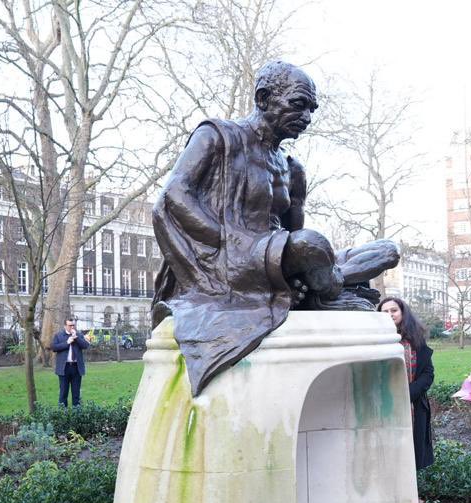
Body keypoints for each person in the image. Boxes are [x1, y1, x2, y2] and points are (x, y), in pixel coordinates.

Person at [151, 60, 398, 396]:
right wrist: (225, 246)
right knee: (313, 245)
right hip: (228, 255)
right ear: (264, 98)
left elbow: (294, 235)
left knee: (387, 250)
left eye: (312, 109)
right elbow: (174, 196)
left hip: (272, 254)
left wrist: (291, 272)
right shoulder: (217, 136)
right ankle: (329, 291)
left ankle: (323, 284)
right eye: (299, 104)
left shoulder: (292, 168)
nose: (307, 118)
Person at [378, 297, 435, 470]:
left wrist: (408, 393)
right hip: (384, 406)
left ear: (403, 312)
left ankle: (412, 493)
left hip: (413, 404)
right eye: (385, 311)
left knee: (413, 452)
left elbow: (428, 373)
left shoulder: (416, 339)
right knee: (387, 453)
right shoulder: (374, 340)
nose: (390, 314)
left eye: (394, 310)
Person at [51, 318, 90, 407]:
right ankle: (63, 414)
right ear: (65, 326)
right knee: (63, 392)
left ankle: (77, 414)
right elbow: (54, 347)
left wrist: (76, 338)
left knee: (76, 393)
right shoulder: (59, 335)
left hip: (76, 368)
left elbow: (85, 345)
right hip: (64, 368)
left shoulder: (78, 335)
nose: (72, 327)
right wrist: (67, 343)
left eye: (73, 325)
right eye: (70, 325)